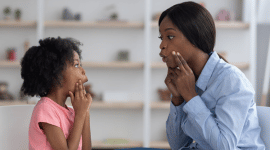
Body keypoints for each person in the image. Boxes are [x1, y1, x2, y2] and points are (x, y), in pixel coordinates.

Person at [158, 2, 265, 150]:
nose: (162, 45)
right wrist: (178, 99)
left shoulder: (231, 80)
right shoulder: (188, 79)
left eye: (170, 36)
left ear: (194, 36)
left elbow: (225, 147)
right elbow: (177, 145)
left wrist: (191, 96)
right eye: (161, 38)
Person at [21, 37, 92, 150]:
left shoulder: (74, 112)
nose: (83, 71)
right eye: (76, 65)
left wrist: (85, 111)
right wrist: (80, 115)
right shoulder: (45, 109)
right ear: (56, 73)